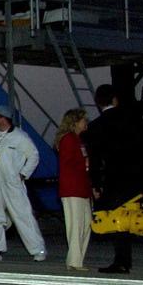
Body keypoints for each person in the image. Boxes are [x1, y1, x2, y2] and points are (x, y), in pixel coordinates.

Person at [88, 85, 143, 273]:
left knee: (118, 220)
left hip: (116, 180)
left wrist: (96, 184)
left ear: (99, 103)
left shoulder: (96, 126)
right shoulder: (134, 119)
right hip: (140, 177)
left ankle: (123, 261)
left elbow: (95, 159)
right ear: (115, 99)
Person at [0, 105, 46, 262]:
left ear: (3, 118)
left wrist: (23, 174)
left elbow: (33, 155)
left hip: (12, 183)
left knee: (23, 215)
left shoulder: (20, 137)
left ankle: (38, 249)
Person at [54, 108, 93, 272]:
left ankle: (77, 259)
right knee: (76, 224)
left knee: (85, 224)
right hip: (72, 188)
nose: (86, 123)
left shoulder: (78, 140)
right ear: (75, 122)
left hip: (81, 187)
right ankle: (75, 261)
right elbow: (68, 163)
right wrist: (85, 164)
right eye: (84, 120)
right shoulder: (68, 139)